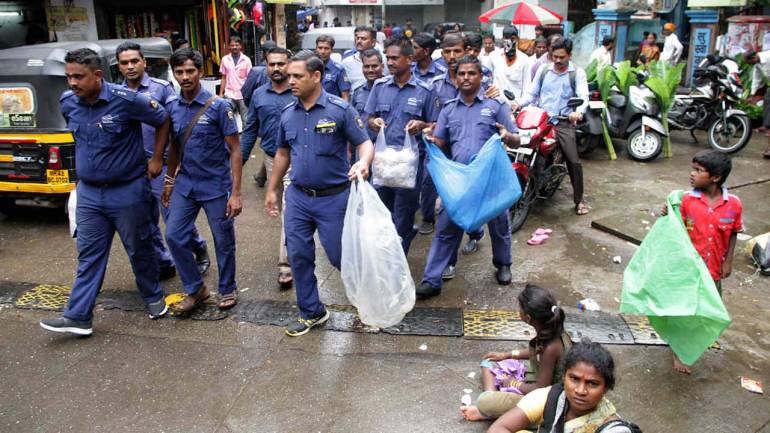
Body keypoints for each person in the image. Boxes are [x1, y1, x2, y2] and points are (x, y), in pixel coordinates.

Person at [39, 48, 171, 335]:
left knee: (139, 248)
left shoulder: (126, 101)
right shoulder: (69, 103)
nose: (72, 83)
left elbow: (162, 120)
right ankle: (78, 316)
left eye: (78, 77)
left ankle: (153, 298)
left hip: (128, 191)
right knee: (89, 255)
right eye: (68, 77)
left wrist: (157, 158)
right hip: (89, 194)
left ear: (97, 75)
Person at [265, 51, 374, 337]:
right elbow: (282, 153)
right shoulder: (288, 113)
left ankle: (367, 304)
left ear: (316, 76)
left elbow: (364, 144)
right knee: (298, 256)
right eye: (289, 76)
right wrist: (272, 189)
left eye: (297, 76)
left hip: (334, 199)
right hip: (298, 198)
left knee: (341, 257)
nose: (291, 81)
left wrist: (363, 163)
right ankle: (312, 312)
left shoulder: (340, 109)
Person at [416, 56, 517, 300]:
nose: (466, 78)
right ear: (456, 77)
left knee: (499, 225)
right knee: (445, 227)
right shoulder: (449, 109)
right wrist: (431, 139)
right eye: (461, 74)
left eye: (471, 73)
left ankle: (503, 264)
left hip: (491, 181)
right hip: (461, 181)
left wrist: (506, 136)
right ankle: (432, 279)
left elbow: (516, 138)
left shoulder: (495, 106)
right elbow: (440, 141)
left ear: (481, 76)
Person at [115, 41, 210, 283]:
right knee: (145, 219)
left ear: (144, 62)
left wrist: (171, 162)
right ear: (119, 66)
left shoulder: (161, 89)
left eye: (134, 61)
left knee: (173, 216)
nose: (130, 67)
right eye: (124, 63)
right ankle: (164, 261)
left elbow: (177, 124)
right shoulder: (116, 94)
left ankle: (198, 247)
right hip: (132, 168)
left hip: (162, 165)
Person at [163, 48, 243, 314]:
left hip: (216, 186)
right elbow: (174, 147)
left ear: (200, 72)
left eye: (190, 71)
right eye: (179, 72)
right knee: (174, 235)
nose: (185, 77)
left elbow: (235, 149)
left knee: (223, 240)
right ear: (174, 74)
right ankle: (196, 289)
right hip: (185, 185)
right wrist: (169, 180)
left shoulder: (219, 106)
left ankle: (227, 286)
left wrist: (236, 193)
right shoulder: (172, 106)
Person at [661, 150, 742, 374]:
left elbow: (734, 232)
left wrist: (728, 261)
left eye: (698, 170)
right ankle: (678, 351)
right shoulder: (686, 200)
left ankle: (693, 342)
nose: (692, 174)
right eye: (692, 168)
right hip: (687, 271)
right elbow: (673, 228)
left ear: (715, 177)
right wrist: (667, 214)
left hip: (714, 271)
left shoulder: (733, 205)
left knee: (705, 311)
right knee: (682, 311)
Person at [365, 37, 438, 255]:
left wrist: (422, 124)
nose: (390, 62)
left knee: (404, 212)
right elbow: (369, 117)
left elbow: (434, 124)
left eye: (395, 58)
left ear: (409, 59)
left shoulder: (425, 90)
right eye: (388, 58)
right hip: (383, 162)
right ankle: (387, 253)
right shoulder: (379, 87)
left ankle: (399, 258)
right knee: (382, 211)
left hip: (409, 164)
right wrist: (374, 122)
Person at [461, 285, 571, 421]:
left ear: (528, 318)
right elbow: (535, 352)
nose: (518, 310)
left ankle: (486, 411)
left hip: (546, 400)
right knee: (488, 363)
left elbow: (540, 390)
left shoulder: (551, 348)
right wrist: (506, 355)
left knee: (484, 401)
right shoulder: (552, 329)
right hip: (540, 378)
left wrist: (513, 383)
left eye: (520, 308)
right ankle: (494, 405)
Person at [488, 341, 637, 433]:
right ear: (563, 377)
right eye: (574, 379)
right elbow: (499, 428)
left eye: (592, 383)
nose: (580, 390)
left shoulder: (612, 429)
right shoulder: (551, 397)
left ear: (605, 388)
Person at [513, 38, 590, 216]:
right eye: (554, 56)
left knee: (574, 160)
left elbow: (583, 96)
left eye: (561, 57)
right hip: (541, 118)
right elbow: (532, 93)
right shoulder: (543, 70)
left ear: (569, 55)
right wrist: (518, 104)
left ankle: (579, 200)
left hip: (563, 121)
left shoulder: (577, 73)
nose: (557, 60)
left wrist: (577, 112)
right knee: (519, 145)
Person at [241, 47, 296, 289]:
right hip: (272, 157)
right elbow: (251, 129)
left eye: (281, 64)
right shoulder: (258, 96)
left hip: (298, 159)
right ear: (265, 65)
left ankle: (286, 263)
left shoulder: (299, 92)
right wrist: (237, 163)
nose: (276, 69)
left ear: (289, 64)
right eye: (271, 64)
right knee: (283, 208)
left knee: (290, 209)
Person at [488, 25, 532, 102]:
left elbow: (527, 87)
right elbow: (489, 80)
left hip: (515, 105)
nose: (509, 41)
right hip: (496, 102)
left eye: (512, 38)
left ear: (517, 39)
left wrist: (519, 104)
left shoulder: (525, 60)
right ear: (502, 39)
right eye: (506, 38)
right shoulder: (493, 56)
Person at [351, 49, 385, 142]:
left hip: (385, 147)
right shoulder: (358, 92)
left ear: (382, 67)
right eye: (366, 66)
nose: (370, 70)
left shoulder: (390, 90)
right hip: (362, 145)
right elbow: (352, 121)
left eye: (374, 66)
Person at [218, 36, 253, 126]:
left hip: (243, 95)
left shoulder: (246, 60)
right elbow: (224, 77)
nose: (234, 47)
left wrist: (250, 94)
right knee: (227, 119)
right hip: (229, 94)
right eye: (232, 45)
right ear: (229, 46)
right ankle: (231, 139)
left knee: (246, 120)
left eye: (236, 45)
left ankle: (245, 140)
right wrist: (221, 93)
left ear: (240, 46)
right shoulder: (225, 59)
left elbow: (250, 79)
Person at [742, 51, 770, 157]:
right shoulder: (757, 64)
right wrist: (752, 95)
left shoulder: (768, 56)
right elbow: (756, 80)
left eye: (749, 62)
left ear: (753, 57)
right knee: (768, 115)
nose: (749, 65)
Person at [314, 35, 350, 100]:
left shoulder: (339, 70)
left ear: (331, 50)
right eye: (320, 48)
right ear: (316, 49)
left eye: (326, 48)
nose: (323, 51)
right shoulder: (309, 68)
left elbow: (345, 96)